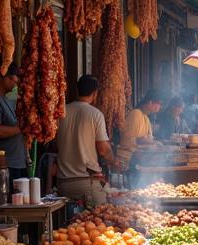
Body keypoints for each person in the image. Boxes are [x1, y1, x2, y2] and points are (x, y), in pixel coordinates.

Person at [55, 75, 113, 207]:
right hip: (87, 183)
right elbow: (103, 149)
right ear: (95, 93)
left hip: (63, 183)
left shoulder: (61, 112)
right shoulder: (95, 114)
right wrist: (112, 159)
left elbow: (54, 144)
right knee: (98, 224)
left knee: (71, 226)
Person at [118, 90, 162, 169]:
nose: (160, 107)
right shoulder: (136, 114)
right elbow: (136, 140)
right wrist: (153, 143)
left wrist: (155, 143)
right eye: (159, 103)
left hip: (139, 159)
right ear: (150, 102)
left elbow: (145, 138)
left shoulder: (145, 116)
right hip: (129, 160)